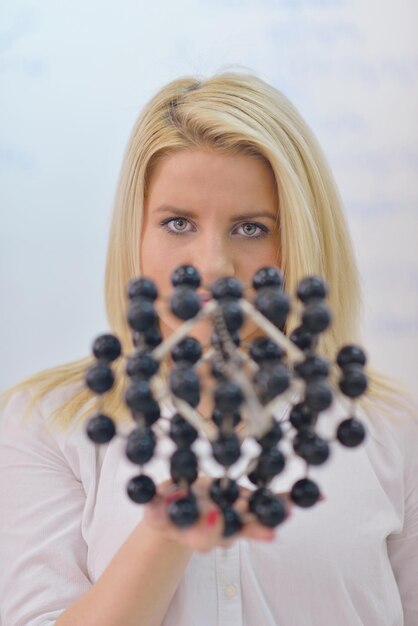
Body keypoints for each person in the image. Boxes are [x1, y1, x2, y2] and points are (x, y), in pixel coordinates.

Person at [0, 72, 417, 626]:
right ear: (136, 235)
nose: (214, 266)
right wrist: (166, 533)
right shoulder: (47, 422)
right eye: (177, 223)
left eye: (250, 228)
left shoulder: (392, 428)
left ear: (300, 238)